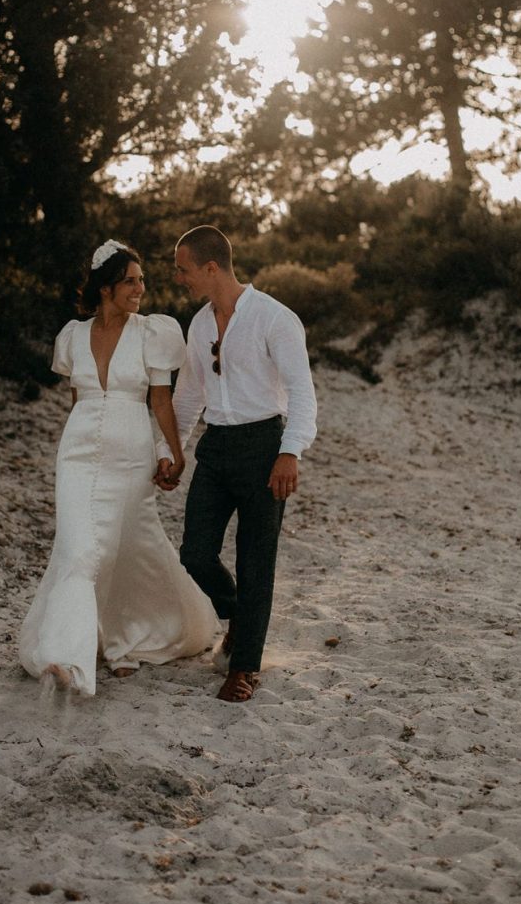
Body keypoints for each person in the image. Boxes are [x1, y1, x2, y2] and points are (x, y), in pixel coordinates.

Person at [19, 240, 219, 695]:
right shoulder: (72, 335)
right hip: (77, 454)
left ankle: (126, 641)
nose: (140, 288)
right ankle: (64, 656)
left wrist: (175, 451)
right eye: (131, 281)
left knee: (129, 545)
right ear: (106, 288)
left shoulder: (154, 332)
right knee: (80, 549)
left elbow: (161, 400)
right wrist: (83, 440)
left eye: (142, 280)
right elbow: (77, 399)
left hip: (132, 453)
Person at [155, 226, 317, 704]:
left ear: (210, 268)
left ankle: (244, 666)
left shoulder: (275, 319)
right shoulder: (199, 324)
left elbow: (303, 393)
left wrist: (291, 451)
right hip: (217, 447)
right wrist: (172, 452)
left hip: (266, 446)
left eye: (183, 269)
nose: (178, 278)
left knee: (255, 561)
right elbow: (188, 397)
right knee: (195, 554)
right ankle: (241, 622)